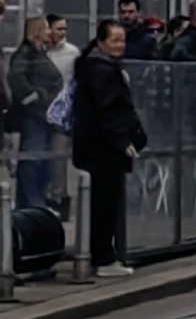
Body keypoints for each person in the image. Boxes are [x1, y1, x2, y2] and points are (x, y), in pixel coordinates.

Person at [73, 20, 147, 277]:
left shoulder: (96, 67)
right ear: (101, 42)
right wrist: (123, 140)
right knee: (105, 204)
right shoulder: (101, 71)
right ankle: (103, 258)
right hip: (102, 149)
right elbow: (108, 112)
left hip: (96, 146)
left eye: (122, 40)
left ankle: (103, 255)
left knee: (103, 203)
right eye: (114, 40)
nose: (120, 45)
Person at [7, 17, 63, 209]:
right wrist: (38, 97)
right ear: (37, 31)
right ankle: (32, 202)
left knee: (42, 162)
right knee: (32, 160)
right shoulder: (26, 54)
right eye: (47, 28)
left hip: (43, 116)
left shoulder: (39, 53)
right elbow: (17, 82)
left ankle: (33, 202)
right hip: (32, 117)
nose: (50, 32)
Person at [45, 14, 81, 219]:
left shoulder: (72, 53)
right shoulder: (41, 52)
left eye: (64, 29)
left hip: (63, 113)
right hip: (41, 110)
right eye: (58, 28)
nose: (62, 33)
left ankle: (59, 198)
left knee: (60, 157)